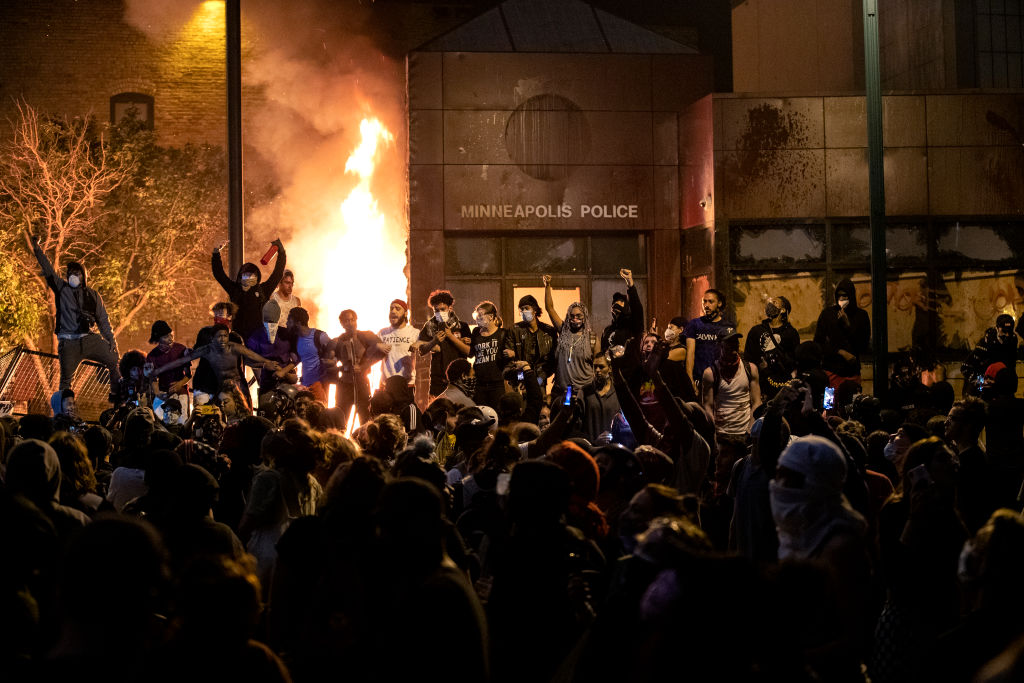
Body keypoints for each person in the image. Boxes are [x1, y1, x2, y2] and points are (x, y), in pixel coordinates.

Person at [28, 230, 121, 396]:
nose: (72, 276)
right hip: (68, 343)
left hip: (88, 338)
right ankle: (63, 414)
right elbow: (48, 269)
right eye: (70, 273)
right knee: (65, 382)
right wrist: (37, 249)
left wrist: (111, 341)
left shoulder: (92, 295)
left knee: (115, 360)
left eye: (76, 274)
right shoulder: (61, 288)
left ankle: (117, 397)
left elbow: (103, 320)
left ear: (83, 276)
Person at [211, 238, 286, 341]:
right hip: (238, 337)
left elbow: (277, 274)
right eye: (245, 274)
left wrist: (281, 253)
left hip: (258, 339)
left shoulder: (263, 290)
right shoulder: (234, 289)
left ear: (257, 277)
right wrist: (216, 252)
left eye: (252, 275)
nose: (248, 277)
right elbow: (219, 274)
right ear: (240, 276)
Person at [544, 274, 596, 396]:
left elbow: (599, 365)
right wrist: (547, 286)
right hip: (561, 391)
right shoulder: (563, 331)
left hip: (585, 392)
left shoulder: (592, 339)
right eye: (572, 316)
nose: (575, 319)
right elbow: (549, 308)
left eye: (579, 316)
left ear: (585, 317)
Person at [334, 309, 388, 426]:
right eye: (347, 321)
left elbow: (382, 352)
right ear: (342, 324)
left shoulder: (366, 336)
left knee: (364, 417)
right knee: (342, 418)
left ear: (356, 321)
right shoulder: (338, 341)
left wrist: (364, 366)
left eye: (352, 320)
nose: (350, 323)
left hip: (361, 382)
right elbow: (333, 360)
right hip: (345, 384)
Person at [814, 279, 871, 389]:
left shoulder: (861, 316)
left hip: (852, 373)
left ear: (851, 296)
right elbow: (818, 343)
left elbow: (863, 344)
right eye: (839, 296)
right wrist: (840, 352)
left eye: (845, 296)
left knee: (852, 404)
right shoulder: (828, 314)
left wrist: (848, 325)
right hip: (831, 371)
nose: (841, 299)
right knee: (829, 405)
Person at [417, 289, 472, 399]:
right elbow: (421, 349)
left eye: (443, 309)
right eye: (436, 310)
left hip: (459, 377)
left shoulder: (462, 326)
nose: (439, 313)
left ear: (450, 308)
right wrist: (434, 341)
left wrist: (451, 337)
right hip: (438, 379)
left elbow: (470, 352)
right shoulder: (429, 327)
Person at [745, 296, 799, 400]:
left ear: (783, 310)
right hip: (761, 385)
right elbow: (749, 357)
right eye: (770, 302)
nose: (770, 304)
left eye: (774, 302)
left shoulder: (791, 333)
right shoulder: (756, 331)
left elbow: (795, 359)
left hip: (783, 384)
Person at [685, 288, 734, 394]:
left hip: (721, 381)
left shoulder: (728, 326)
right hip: (699, 379)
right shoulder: (694, 324)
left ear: (719, 303)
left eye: (711, 302)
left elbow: (731, 354)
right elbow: (690, 354)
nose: (706, 305)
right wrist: (690, 380)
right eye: (704, 301)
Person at [469, 301, 515, 410]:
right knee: (481, 414)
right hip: (479, 384)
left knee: (497, 413)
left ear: (490, 317)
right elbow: (471, 353)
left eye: (480, 315)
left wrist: (513, 354)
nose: (477, 318)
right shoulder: (476, 332)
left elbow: (514, 353)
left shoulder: (503, 333)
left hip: (497, 383)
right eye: (476, 315)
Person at [284, 307, 335, 404]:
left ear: (298, 323)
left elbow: (333, 353)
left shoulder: (319, 336)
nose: (287, 324)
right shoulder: (296, 339)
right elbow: (298, 359)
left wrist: (331, 361)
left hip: (319, 385)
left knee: (319, 414)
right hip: (304, 386)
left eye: (289, 322)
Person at [508, 294, 558, 391]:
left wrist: (540, 379)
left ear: (534, 310)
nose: (523, 311)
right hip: (520, 384)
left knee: (540, 404)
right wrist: (520, 379)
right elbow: (513, 361)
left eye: (526, 308)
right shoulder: (514, 330)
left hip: (540, 382)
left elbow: (552, 361)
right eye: (521, 309)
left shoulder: (548, 331)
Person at [961, 314, 1018, 397]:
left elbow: (1011, 366)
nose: (1007, 335)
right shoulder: (986, 344)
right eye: (1004, 331)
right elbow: (965, 367)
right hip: (983, 393)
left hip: (1002, 392)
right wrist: (982, 382)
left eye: (1009, 331)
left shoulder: (1012, 340)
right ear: (997, 328)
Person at [145, 320, 191, 417]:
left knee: (182, 419)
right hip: (163, 392)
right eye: (166, 337)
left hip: (180, 390)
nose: (170, 339)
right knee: (158, 417)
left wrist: (179, 384)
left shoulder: (181, 349)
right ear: (158, 339)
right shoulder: (152, 356)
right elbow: (153, 379)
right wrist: (158, 393)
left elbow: (188, 375)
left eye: (171, 335)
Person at [377, 299, 420, 388]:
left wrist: (419, 343)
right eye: (391, 309)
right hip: (387, 384)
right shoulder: (382, 333)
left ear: (405, 313)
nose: (393, 311)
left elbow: (433, 347)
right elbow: (369, 347)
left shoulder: (414, 332)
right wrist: (377, 345)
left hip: (407, 384)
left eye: (397, 308)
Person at [599, 268, 644, 353]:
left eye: (621, 301)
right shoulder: (607, 330)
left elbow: (636, 307)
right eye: (615, 302)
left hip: (629, 366)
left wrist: (630, 284)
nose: (616, 304)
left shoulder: (633, 326)